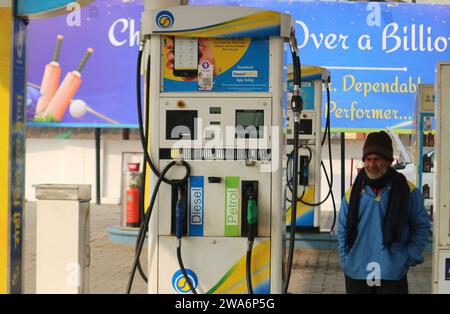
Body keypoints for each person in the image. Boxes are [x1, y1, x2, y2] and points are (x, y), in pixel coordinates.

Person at [337, 131, 430, 294]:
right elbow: (342, 229)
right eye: (368, 159)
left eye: (377, 159)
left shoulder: (408, 191)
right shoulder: (353, 192)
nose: (372, 164)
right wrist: (346, 260)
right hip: (356, 272)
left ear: (389, 161)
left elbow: (421, 227)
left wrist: (407, 258)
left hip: (392, 273)